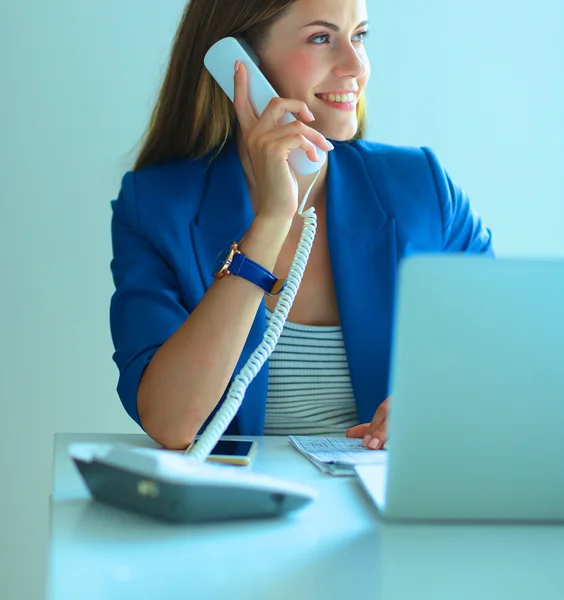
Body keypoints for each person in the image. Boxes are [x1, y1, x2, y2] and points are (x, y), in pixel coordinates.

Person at [109, 0, 494, 451]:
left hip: (386, 507)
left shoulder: (423, 189)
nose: (356, 65)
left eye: (360, 36)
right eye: (321, 38)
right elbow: (171, 422)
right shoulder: (155, 207)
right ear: (241, 64)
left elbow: (509, 355)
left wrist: (441, 402)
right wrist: (271, 221)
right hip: (240, 513)